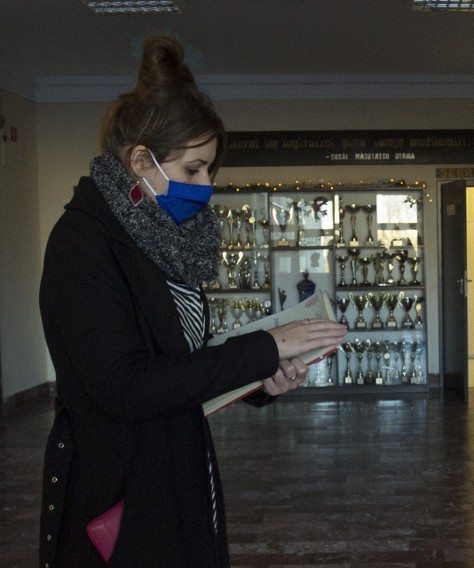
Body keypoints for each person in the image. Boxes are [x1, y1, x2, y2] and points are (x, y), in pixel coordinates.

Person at [38, 33, 346, 567]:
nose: (205, 185)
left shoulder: (160, 237)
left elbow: (181, 367)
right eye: (192, 170)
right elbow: (126, 385)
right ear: (140, 163)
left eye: (209, 169)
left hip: (176, 467)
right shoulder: (82, 243)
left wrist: (261, 379)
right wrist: (260, 348)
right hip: (118, 486)